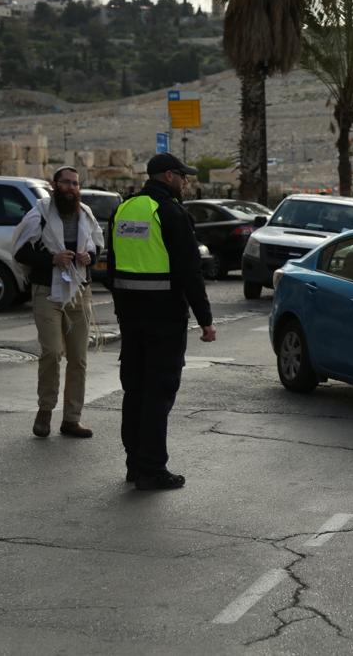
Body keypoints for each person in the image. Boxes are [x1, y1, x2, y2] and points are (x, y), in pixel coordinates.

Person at [108, 153, 216, 491]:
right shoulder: (170, 212)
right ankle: (152, 469)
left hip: (131, 317)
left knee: (135, 390)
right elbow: (189, 272)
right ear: (169, 176)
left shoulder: (124, 209)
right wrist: (206, 320)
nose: (186, 182)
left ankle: (134, 463)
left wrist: (124, 306)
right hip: (164, 319)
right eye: (183, 176)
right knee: (159, 391)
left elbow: (110, 269)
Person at [13, 165, 104, 439]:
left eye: (75, 184)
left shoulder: (85, 214)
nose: (71, 188)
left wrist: (90, 256)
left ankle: (72, 419)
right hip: (47, 292)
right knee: (52, 352)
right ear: (54, 185)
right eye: (66, 183)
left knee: (79, 358)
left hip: (79, 291)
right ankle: (45, 410)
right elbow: (21, 251)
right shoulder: (39, 213)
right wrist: (51, 259)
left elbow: (97, 244)